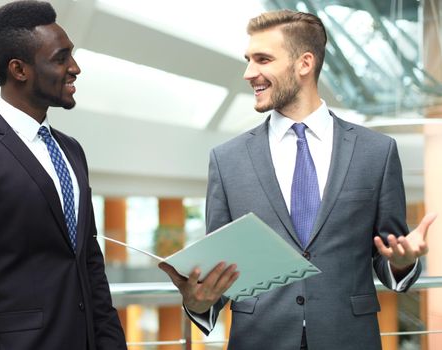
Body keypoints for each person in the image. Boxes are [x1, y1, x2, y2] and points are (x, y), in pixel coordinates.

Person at [159, 9, 436, 350]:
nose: (249, 73)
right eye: (248, 59)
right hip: (259, 340)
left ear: (304, 63)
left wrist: (402, 261)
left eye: (262, 59)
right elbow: (222, 270)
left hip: (349, 339)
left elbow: (388, 256)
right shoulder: (226, 159)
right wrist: (199, 301)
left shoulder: (376, 153)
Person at [0, 1, 126, 349]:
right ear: (19, 69)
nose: (75, 68)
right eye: (61, 58)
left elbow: (90, 265)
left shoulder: (73, 151)